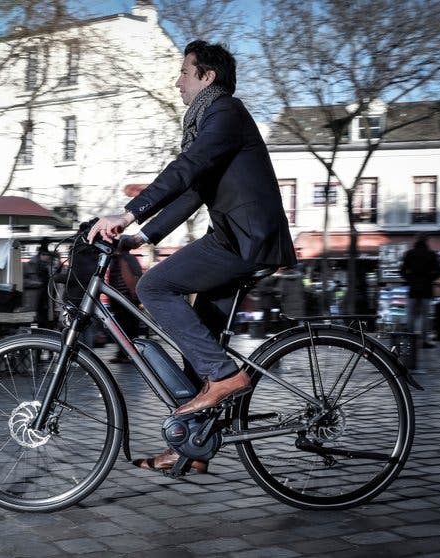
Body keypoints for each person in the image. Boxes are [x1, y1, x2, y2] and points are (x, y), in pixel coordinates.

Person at [87, 40, 296, 472]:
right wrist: (141, 236)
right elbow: (195, 189)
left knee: (155, 285)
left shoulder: (225, 114)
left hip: (244, 240)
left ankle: (224, 377)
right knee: (197, 334)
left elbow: (187, 169)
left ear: (207, 77)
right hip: (238, 236)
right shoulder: (212, 119)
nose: (177, 80)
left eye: (184, 72)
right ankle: (194, 446)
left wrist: (127, 214)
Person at [399, 235, 440, 348]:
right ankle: (424, 341)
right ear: (426, 241)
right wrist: (430, 279)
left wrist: (410, 279)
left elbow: (402, 271)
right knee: (425, 316)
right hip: (426, 289)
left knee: (411, 316)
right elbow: (439, 271)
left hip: (413, 288)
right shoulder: (431, 254)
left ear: (416, 240)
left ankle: (411, 340)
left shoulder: (410, 253)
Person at [107, 251, 143, 363]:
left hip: (127, 299)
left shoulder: (126, 259)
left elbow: (136, 276)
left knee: (128, 328)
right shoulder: (117, 259)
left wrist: (135, 296)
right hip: (119, 299)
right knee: (122, 328)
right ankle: (124, 353)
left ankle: (129, 354)